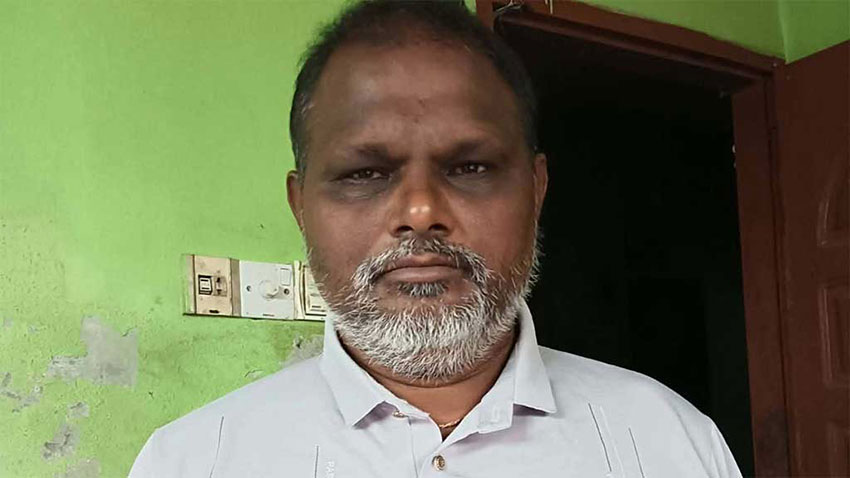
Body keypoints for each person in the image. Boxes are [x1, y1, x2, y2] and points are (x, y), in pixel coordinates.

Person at [129, 1, 742, 476]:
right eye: (365, 173)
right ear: (301, 206)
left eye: (470, 167)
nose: (420, 211)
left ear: (536, 190)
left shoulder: (670, 442)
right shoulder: (192, 461)